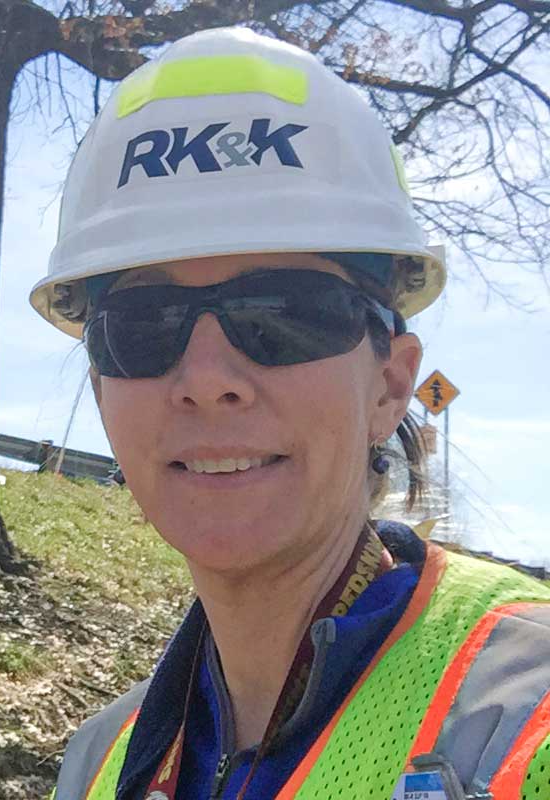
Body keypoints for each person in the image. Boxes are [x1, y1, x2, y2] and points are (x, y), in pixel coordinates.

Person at [27, 27, 550, 800]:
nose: (206, 380)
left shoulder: (521, 723)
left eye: (282, 313)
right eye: (142, 326)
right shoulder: (100, 765)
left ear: (390, 384)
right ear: (103, 393)